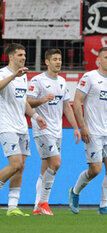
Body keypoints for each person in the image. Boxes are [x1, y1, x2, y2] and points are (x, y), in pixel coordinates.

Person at [68, 47, 107, 215]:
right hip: (93, 131)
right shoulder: (89, 77)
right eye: (106, 57)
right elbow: (77, 102)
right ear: (98, 60)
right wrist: (83, 126)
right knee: (95, 169)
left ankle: (104, 206)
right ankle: (75, 192)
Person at [27, 49, 81, 215]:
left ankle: (37, 206)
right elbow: (28, 102)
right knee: (56, 163)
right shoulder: (38, 81)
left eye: (60, 59)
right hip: (42, 129)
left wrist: (75, 127)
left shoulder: (63, 82)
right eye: (55, 59)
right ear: (47, 62)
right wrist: (42, 100)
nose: (58, 62)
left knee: (46, 169)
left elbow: (66, 107)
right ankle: (44, 202)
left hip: (57, 131)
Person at [0, 43, 47, 216]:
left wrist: (35, 116)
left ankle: (12, 207)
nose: (23, 58)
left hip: (21, 126)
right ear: (11, 57)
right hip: (6, 125)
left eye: (25, 55)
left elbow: (23, 102)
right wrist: (14, 76)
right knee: (15, 164)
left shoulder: (23, 76)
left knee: (21, 167)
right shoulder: (4, 73)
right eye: (20, 55)